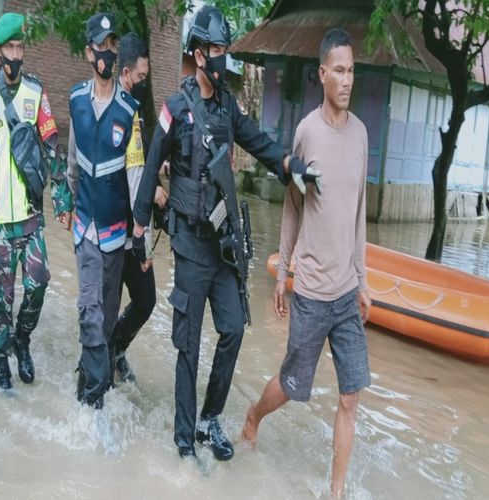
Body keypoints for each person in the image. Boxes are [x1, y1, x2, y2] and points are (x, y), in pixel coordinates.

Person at [131, 5, 321, 460]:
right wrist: (139, 229)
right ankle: (183, 439)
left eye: (224, 50)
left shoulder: (228, 109)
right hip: (190, 245)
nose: (222, 59)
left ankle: (209, 418)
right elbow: (149, 169)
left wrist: (290, 165)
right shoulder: (175, 109)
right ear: (198, 55)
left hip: (223, 249)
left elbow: (259, 141)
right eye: (216, 50)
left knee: (234, 329)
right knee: (188, 344)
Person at [240, 28, 371, 498]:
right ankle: (254, 415)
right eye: (339, 70)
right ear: (321, 75)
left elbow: (358, 213)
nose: (347, 79)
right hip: (312, 290)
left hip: (345, 289)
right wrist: (285, 270)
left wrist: (364, 282)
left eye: (352, 70)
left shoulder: (360, 135)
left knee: (351, 395)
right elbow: (293, 206)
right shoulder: (306, 132)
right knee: (295, 386)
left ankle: (335, 492)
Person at [0, 12, 72, 390]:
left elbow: (52, 146)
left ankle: (22, 341)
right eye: (9, 46)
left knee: (38, 283)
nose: (14, 53)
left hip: (29, 216)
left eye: (19, 46)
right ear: (0, 51)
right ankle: (1, 359)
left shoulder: (36, 93)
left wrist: (62, 199)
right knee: (0, 297)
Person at [68, 12, 139, 410]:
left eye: (113, 46)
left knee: (107, 317)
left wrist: (138, 232)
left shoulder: (129, 112)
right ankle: (93, 406)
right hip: (85, 226)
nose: (108, 53)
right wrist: (71, 205)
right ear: (88, 52)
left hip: (116, 232)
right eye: (102, 46)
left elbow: (135, 174)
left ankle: (89, 380)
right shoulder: (77, 100)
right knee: (90, 309)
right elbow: (73, 165)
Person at [109, 32, 167, 384]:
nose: (144, 84)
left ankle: (116, 347)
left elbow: (141, 162)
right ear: (127, 73)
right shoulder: (115, 110)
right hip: (117, 229)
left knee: (145, 301)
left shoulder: (139, 111)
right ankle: (98, 368)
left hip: (138, 226)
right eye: (141, 78)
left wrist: (159, 173)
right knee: (108, 304)